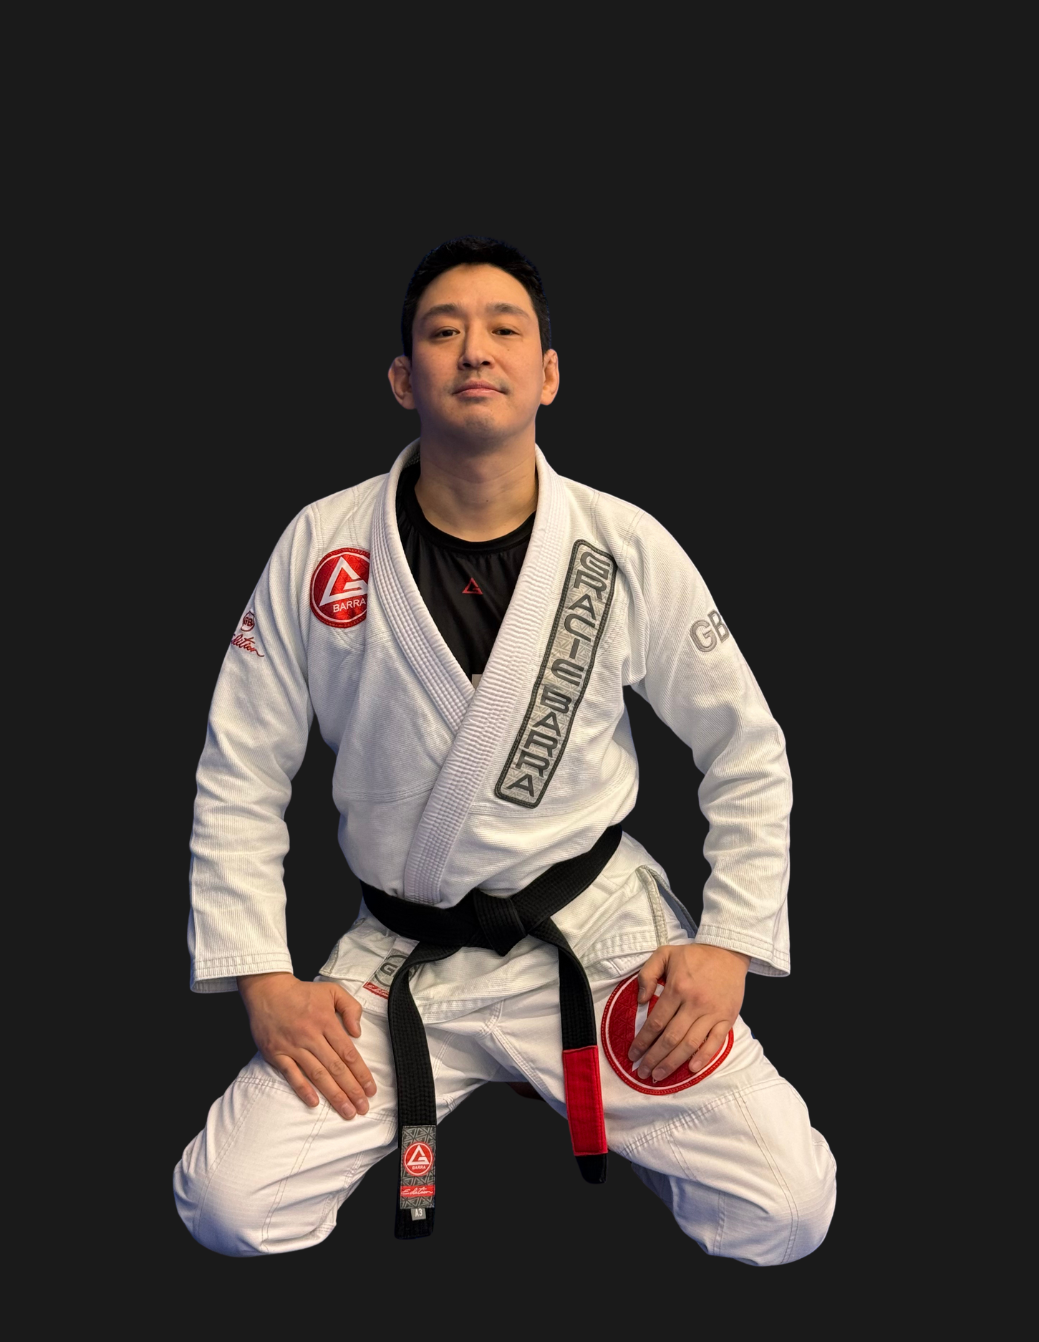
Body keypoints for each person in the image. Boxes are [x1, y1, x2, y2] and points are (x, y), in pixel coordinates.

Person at [174, 236, 836, 1265]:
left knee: (788, 1211)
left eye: (503, 330)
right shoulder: (322, 546)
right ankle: (518, 1072)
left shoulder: (623, 546)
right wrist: (262, 976)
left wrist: (730, 943)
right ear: (404, 379)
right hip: (406, 956)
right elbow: (241, 772)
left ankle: (571, 1066)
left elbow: (746, 748)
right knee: (226, 1206)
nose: (473, 351)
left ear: (548, 374)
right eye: (442, 333)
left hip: (597, 938)